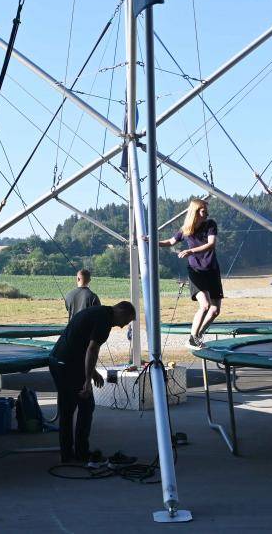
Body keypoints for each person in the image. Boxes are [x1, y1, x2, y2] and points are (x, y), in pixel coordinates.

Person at [49, 302, 137, 464]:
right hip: (68, 364)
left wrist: (92, 372)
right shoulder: (104, 322)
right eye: (126, 320)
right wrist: (87, 381)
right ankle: (81, 453)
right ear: (120, 311)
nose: (124, 326)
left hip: (58, 360)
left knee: (67, 409)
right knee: (85, 405)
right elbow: (92, 350)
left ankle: (67, 454)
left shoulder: (98, 312)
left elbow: (81, 344)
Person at [158, 199, 222, 348]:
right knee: (205, 305)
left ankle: (197, 336)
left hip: (212, 270)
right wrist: (151, 241)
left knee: (215, 310)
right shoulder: (185, 230)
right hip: (196, 271)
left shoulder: (210, 224)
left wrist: (190, 251)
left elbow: (211, 244)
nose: (206, 214)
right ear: (195, 212)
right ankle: (193, 337)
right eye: (203, 211)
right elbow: (170, 242)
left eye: (206, 211)